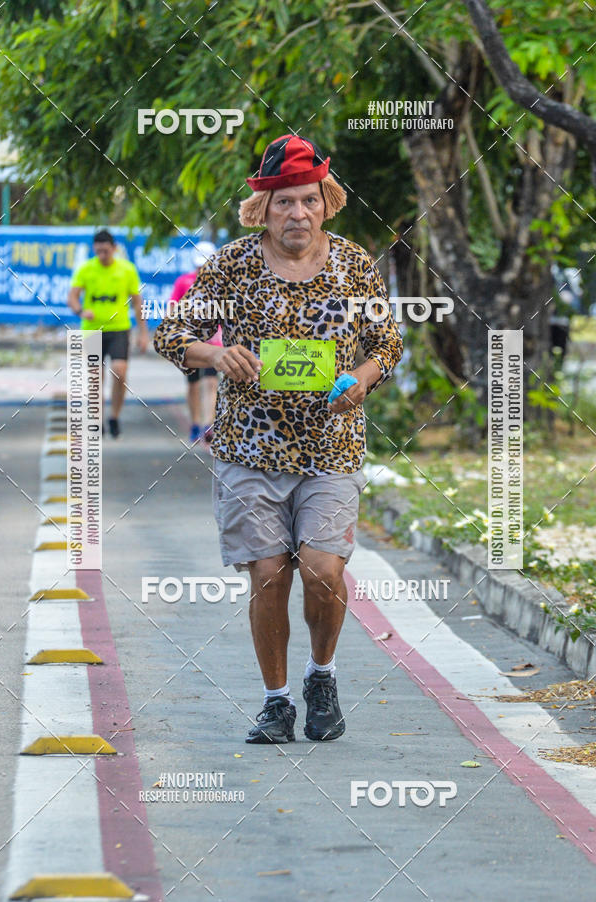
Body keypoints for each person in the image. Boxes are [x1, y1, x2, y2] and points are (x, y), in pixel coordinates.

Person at [154, 135, 403, 744]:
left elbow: (387, 343)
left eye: (309, 201)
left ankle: (323, 676)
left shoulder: (352, 265)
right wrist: (216, 352)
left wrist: (362, 382)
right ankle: (276, 701)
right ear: (263, 207)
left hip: (331, 447)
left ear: (327, 202)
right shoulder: (233, 266)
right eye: (285, 202)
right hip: (250, 448)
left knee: (321, 570)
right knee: (268, 574)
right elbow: (170, 333)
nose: (298, 214)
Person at [67, 229, 148, 437]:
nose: (102, 255)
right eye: (98, 251)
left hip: (119, 328)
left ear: (113, 249)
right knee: (96, 377)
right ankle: (97, 419)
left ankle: (114, 415)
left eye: (105, 251)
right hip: (92, 330)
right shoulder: (86, 269)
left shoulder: (126, 269)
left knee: (120, 371)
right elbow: (72, 297)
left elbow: (138, 303)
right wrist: (80, 311)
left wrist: (143, 333)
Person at [169, 241, 221, 446]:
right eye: (200, 265)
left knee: (210, 383)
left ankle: (209, 425)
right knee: (193, 384)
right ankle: (195, 422)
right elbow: (173, 308)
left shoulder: (220, 283)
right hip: (190, 342)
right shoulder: (184, 282)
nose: (202, 269)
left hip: (213, 342)